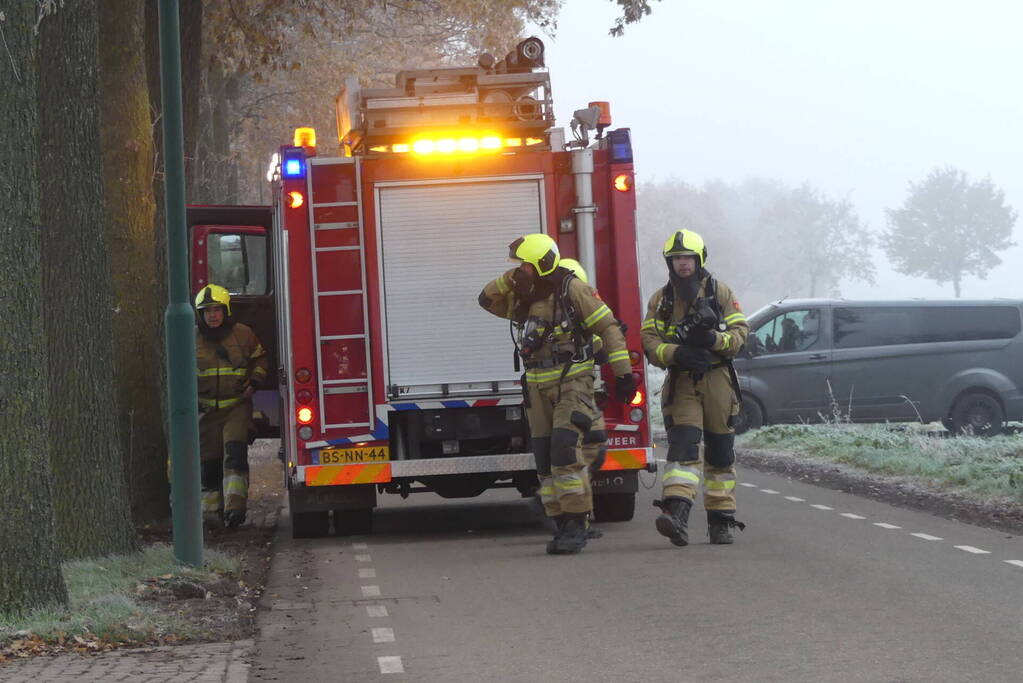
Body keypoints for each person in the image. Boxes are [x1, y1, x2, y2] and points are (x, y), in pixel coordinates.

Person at [479, 236, 634, 554]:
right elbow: (486, 299)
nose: (520, 270)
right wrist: (511, 279)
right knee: (545, 462)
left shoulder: (573, 289)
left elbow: (608, 328)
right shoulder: (525, 297)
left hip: (572, 382)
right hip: (536, 387)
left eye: (525, 265)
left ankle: (577, 524)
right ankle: (561, 524)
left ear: (542, 264)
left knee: (565, 451)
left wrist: (623, 374)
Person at [641, 229, 749, 545]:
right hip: (682, 381)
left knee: (720, 451)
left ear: (699, 258)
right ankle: (675, 515)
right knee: (684, 447)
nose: (683, 263)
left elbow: (740, 335)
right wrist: (678, 353)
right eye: (676, 258)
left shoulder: (721, 292)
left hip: (718, 379)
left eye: (688, 257)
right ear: (669, 263)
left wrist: (714, 339)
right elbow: (649, 343)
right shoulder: (661, 300)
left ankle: (721, 521)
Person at [194, 284, 269, 529]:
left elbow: (260, 359)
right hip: (205, 413)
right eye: (207, 311)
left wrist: (254, 383)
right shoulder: (190, 338)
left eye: (216, 310)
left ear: (225, 311)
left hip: (236, 408)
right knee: (209, 465)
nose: (212, 315)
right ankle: (211, 515)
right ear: (200, 315)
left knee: (235, 455)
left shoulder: (243, 334)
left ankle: (235, 510)